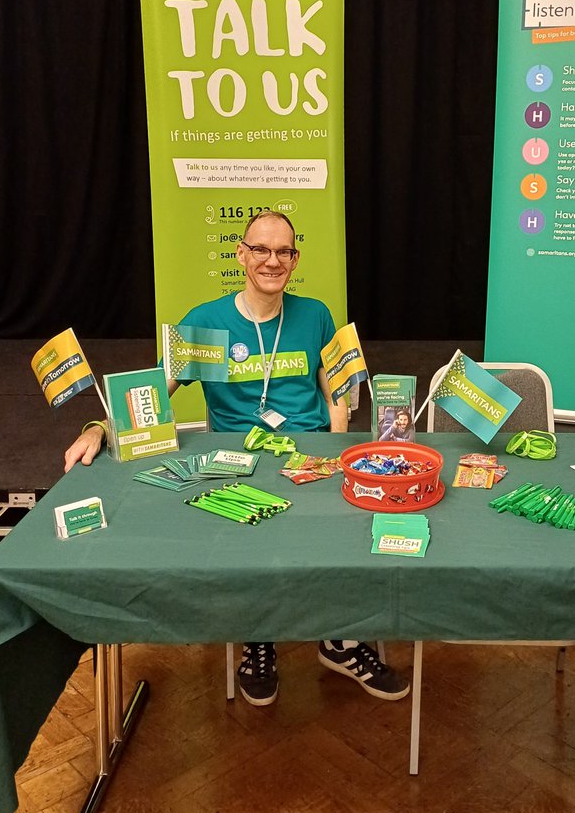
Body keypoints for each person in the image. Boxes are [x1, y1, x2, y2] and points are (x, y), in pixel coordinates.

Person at [64, 209, 409, 708]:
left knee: (339, 539)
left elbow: (335, 388)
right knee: (250, 546)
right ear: (241, 254)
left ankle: (340, 641)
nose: (273, 261)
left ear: (295, 258)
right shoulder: (204, 322)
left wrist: (336, 446)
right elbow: (153, 393)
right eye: (262, 250)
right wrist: (99, 427)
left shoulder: (315, 315)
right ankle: (258, 636)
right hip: (234, 461)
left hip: (307, 457)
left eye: (284, 252)